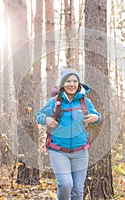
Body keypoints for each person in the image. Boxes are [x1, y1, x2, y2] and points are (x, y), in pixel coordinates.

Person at [35, 68, 101, 200]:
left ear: (79, 84)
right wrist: (46, 119)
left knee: (77, 191)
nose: (72, 84)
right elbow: (39, 115)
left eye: (75, 81)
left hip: (81, 151)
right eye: (68, 81)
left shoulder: (84, 102)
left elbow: (97, 116)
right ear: (62, 84)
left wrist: (95, 117)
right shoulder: (54, 102)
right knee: (65, 185)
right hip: (58, 150)